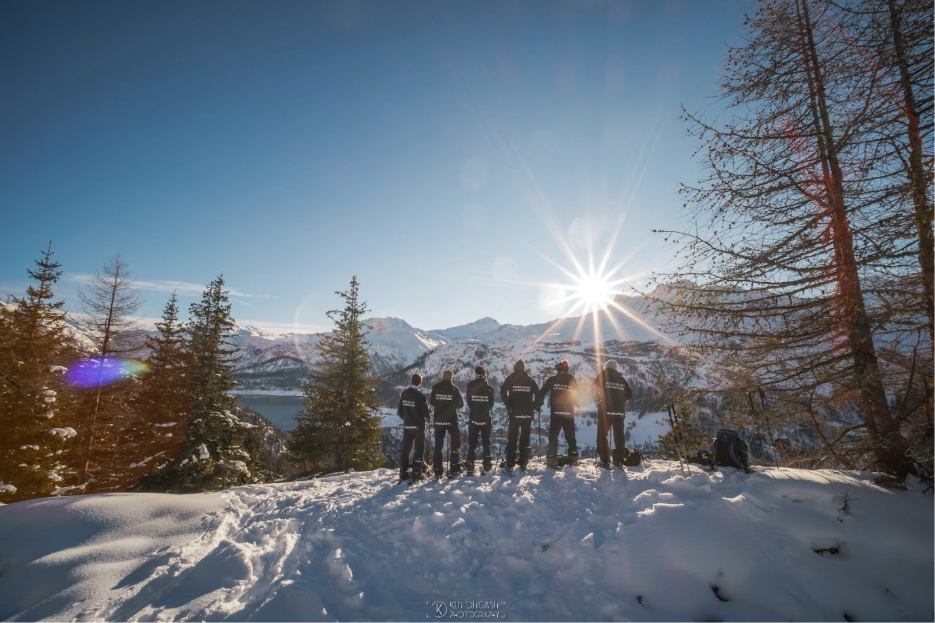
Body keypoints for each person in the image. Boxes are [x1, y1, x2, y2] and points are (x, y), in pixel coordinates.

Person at [536, 359, 580, 467]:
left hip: (556, 413)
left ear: (558, 369)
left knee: (553, 436)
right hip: (569, 413)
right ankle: (573, 459)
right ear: (567, 369)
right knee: (570, 436)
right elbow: (578, 395)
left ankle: (552, 459)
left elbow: (542, 391)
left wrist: (538, 404)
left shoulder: (552, 379)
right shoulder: (571, 379)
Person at [591, 359, 632, 468]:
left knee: (602, 436)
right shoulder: (621, 379)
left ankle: (605, 461)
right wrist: (619, 399)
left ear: (605, 367)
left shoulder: (602, 376)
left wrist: (598, 403)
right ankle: (619, 460)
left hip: (605, 411)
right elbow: (629, 394)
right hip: (619, 412)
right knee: (619, 436)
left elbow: (593, 389)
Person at [500, 359, 540, 472]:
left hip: (515, 413)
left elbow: (502, 391)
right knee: (525, 437)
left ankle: (510, 462)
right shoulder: (530, 380)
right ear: (524, 368)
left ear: (515, 368)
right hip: (527, 413)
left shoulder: (511, 378)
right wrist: (533, 406)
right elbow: (539, 395)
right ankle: (523, 462)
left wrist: (509, 405)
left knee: (512, 437)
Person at [430, 369, 464, 478]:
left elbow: (432, 402)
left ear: (443, 377)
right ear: (451, 378)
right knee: (455, 442)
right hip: (451, 420)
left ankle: (437, 471)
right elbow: (460, 404)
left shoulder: (435, 388)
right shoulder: (455, 389)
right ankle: (454, 467)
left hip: (439, 419)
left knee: (438, 445)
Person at [397, 373, 430, 481]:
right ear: (420, 382)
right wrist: (428, 416)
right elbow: (425, 412)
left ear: (411, 381)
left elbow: (400, 412)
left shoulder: (404, 394)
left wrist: (407, 419)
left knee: (405, 449)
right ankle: (417, 472)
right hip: (418, 427)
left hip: (408, 426)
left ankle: (403, 473)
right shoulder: (420, 395)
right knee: (419, 449)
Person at [465, 365, 496, 474]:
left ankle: (470, 463)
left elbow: (469, 402)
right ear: (485, 375)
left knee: (472, 442)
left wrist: (475, 407)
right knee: (486, 442)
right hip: (485, 419)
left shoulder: (470, 387)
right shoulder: (489, 389)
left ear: (476, 375)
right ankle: (487, 463)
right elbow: (491, 404)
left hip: (474, 418)